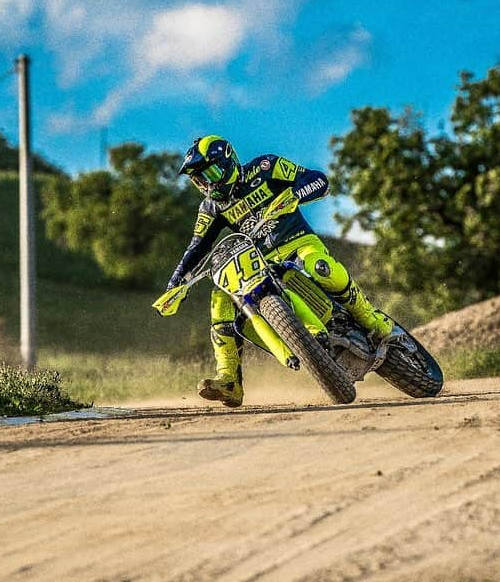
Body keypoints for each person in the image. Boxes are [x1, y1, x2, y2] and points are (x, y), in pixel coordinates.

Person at [166, 135, 394, 408]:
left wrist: (295, 194)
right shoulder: (211, 207)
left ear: (228, 161)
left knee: (320, 268)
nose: (207, 183)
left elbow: (318, 179)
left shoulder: (265, 167)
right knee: (221, 299)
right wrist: (175, 284)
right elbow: (197, 246)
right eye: (199, 179)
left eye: (211, 173)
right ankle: (229, 380)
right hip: (260, 264)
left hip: (299, 244)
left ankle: (370, 319)